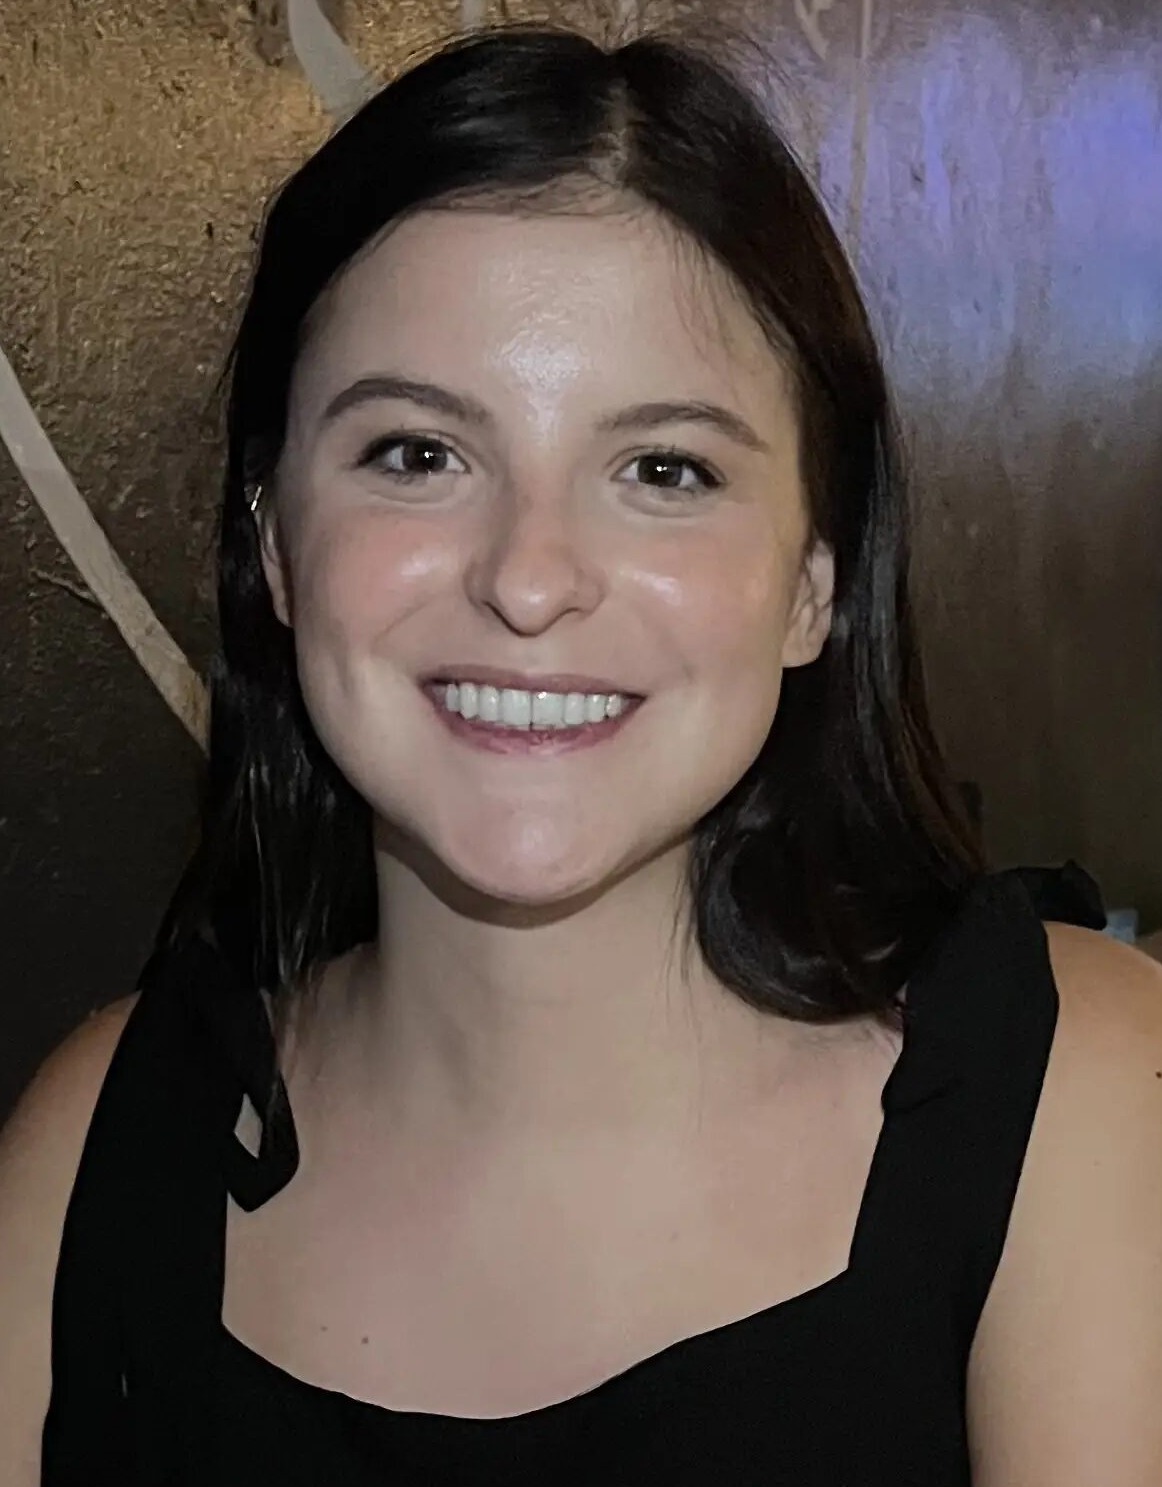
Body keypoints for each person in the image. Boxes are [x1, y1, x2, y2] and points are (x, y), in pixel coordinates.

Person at [2, 23, 1161, 1486]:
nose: (530, 578)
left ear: (814, 580)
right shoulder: (93, 1153)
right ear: (273, 544)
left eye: (662, 470)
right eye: (417, 453)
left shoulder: (1079, 1100)